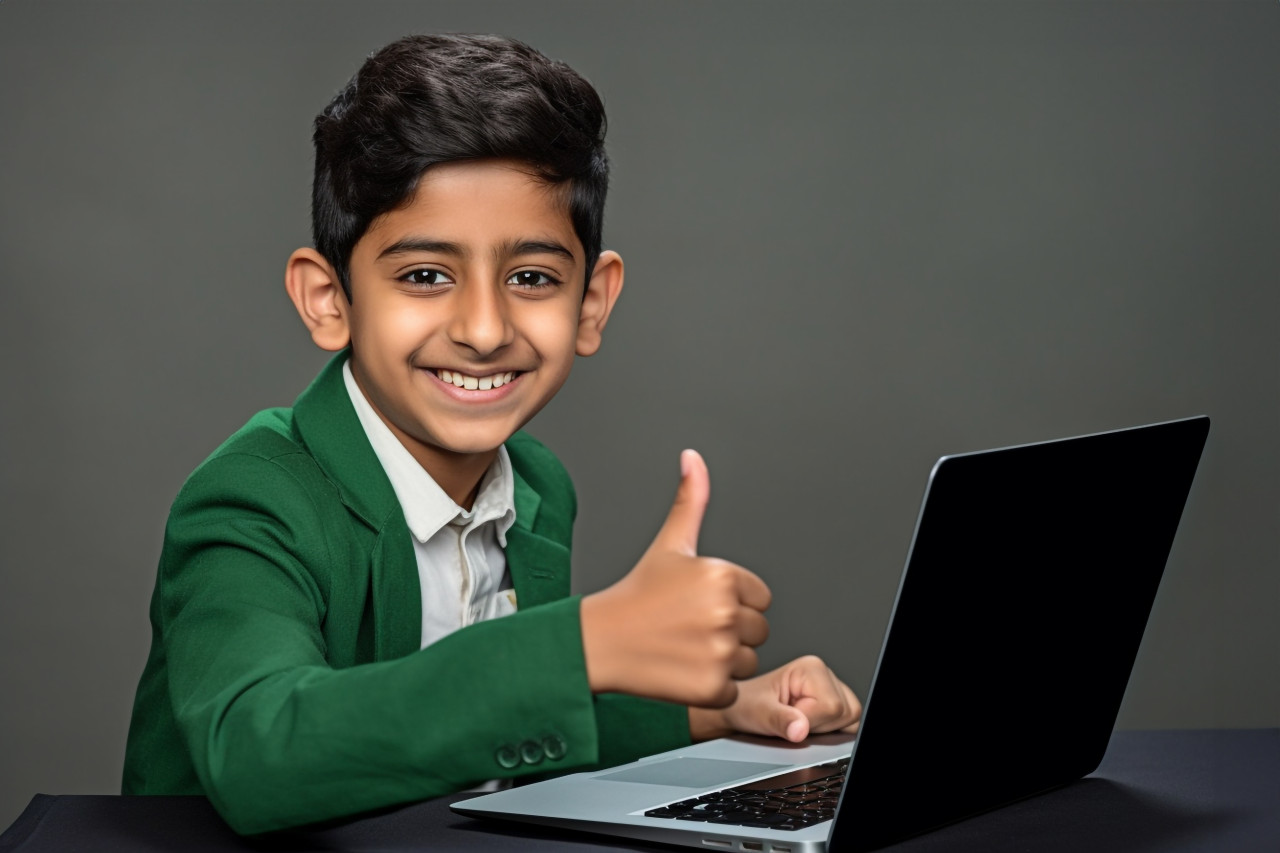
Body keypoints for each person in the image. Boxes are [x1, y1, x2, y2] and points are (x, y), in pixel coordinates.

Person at [122, 33, 861, 835]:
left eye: (532, 278)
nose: (482, 328)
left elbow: (500, 726)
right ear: (328, 299)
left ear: (591, 303)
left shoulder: (537, 486)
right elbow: (257, 750)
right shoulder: (251, 498)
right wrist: (586, 642)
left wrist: (717, 709)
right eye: (425, 275)